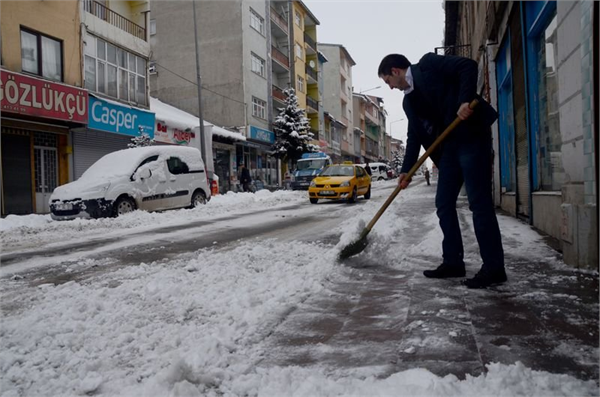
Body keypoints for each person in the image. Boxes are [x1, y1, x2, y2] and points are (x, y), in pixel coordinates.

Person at [378, 52, 506, 289]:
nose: (390, 87)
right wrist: (407, 170)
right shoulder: (408, 102)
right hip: (448, 150)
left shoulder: (428, 65)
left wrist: (464, 101)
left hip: (470, 138)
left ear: (395, 71)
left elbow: (468, 66)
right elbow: (414, 134)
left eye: (388, 81)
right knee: (444, 203)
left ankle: (494, 267)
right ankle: (453, 262)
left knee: (479, 203)